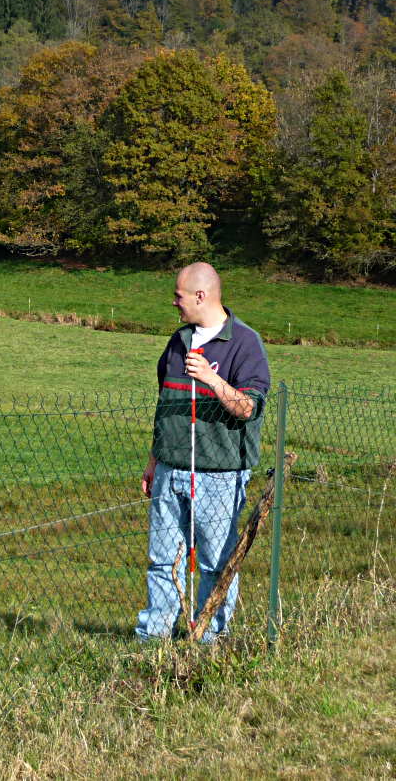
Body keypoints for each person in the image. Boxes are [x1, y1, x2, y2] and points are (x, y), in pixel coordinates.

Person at [136, 262, 270, 642]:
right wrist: (154, 459)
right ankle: (154, 640)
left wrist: (212, 379)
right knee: (162, 560)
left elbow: (249, 408)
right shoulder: (178, 341)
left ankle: (211, 638)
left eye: (178, 296)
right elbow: (165, 405)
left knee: (215, 562)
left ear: (201, 295)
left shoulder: (244, 343)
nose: (174, 303)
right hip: (170, 470)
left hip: (220, 473)